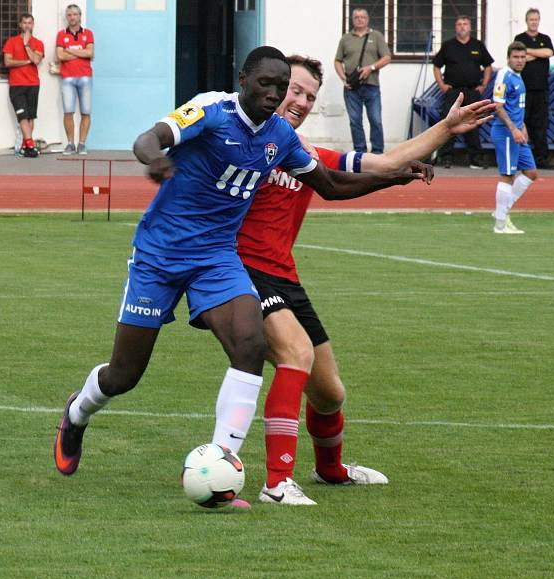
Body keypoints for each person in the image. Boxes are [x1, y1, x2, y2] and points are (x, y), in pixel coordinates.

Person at [53, 47, 430, 494]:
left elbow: (329, 186)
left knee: (249, 344)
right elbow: (147, 139)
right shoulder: (212, 109)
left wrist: (396, 177)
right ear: (243, 79)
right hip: (160, 256)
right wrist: (155, 159)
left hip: (216, 258)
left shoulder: (280, 138)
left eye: (281, 87)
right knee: (124, 374)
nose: (274, 94)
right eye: (266, 84)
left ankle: (221, 469)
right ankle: (77, 413)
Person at [238, 55, 495, 505]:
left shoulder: (304, 154)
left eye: (309, 96)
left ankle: (331, 470)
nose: (298, 101)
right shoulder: (238, 142)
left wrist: (445, 130)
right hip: (242, 270)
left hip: (285, 275)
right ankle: (276, 483)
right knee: (294, 356)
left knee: (330, 393)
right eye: (294, 90)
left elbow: (383, 161)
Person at [433, 15, 494, 169]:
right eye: (459, 24)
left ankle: (475, 159)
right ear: (455, 27)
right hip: (453, 92)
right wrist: (442, 85)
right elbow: (436, 66)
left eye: (465, 24)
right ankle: (445, 157)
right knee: (448, 124)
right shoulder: (448, 46)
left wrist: (484, 85)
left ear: (470, 27)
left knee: (473, 124)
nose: (462, 27)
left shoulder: (478, 45)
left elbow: (488, 66)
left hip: (472, 91)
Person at [491, 42, 537, 235]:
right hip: (506, 133)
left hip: (517, 132)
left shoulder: (518, 77)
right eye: (516, 57)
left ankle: (501, 211)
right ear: (508, 58)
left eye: (522, 57)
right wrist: (513, 129)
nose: (519, 60)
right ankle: (500, 225)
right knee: (507, 175)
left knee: (531, 172)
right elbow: (498, 106)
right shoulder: (504, 75)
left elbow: (515, 107)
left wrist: (522, 126)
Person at [334, 8, 391, 154]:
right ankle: (359, 151)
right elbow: (337, 61)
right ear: (352, 20)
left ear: (367, 19)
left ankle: (378, 152)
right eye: (356, 17)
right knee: (355, 121)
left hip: (372, 85)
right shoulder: (346, 38)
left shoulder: (376, 36)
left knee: (375, 120)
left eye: (362, 17)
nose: (359, 19)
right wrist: (343, 78)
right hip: (351, 87)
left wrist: (371, 68)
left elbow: (387, 57)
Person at [514, 8, 554, 169]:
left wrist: (529, 52)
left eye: (536, 19)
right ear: (526, 21)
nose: (534, 22)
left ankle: (541, 159)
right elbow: (518, 56)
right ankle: (520, 159)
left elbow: (548, 52)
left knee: (540, 126)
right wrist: (536, 54)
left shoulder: (545, 38)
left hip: (541, 90)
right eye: (531, 19)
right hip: (523, 90)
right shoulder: (520, 38)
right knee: (521, 123)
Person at [3, 13, 44, 158]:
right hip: (17, 84)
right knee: (22, 116)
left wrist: (26, 45)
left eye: (30, 23)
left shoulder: (38, 43)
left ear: (33, 25)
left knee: (30, 117)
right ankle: (30, 145)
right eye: (24, 23)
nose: (27, 25)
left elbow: (36, 60)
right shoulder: (11, 42)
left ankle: (26, 147)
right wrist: (27, 62)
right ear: (20, 25)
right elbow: (8, 62)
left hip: (33, 84)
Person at [56, 4, 94, 156]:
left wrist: (70, 50)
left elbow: (91, 53)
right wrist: (81, 52)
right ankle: (70, 144)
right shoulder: (61, 34)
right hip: (67, 78)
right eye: (69, 14)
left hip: (85, 77)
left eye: (74, 14)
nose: (72, 17)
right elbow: (60, 56)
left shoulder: (88, 33)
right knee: (68, 112)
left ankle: (82, 143)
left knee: (86, 112)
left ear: (80, 16)